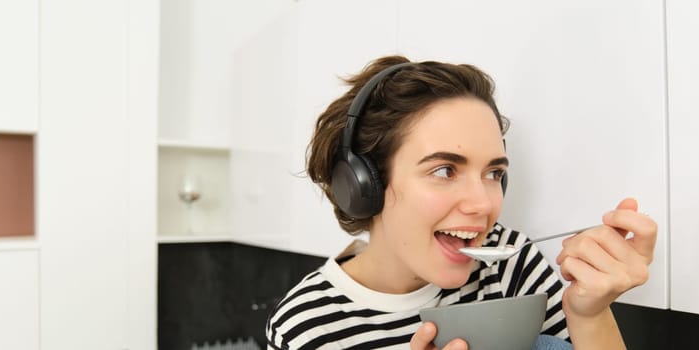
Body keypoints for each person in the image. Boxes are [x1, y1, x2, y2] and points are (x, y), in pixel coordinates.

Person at [266, 55, 658, 350]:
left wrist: (590, 315)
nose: (483, 204)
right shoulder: (306, 327)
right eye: (444, 171)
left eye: (493, 173)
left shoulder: (512, 269)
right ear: (364, 184)